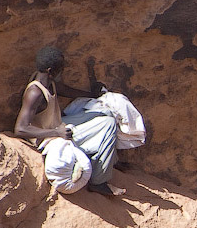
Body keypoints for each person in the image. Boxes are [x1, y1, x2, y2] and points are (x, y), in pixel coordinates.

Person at [14, 45, 125, 196]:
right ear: (51, 71)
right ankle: (99, 181)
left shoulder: (47, 81)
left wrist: (92, 95)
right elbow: (20, 129)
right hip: (47, 137)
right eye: (61, 68)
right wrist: (57, 132)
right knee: (108, 125)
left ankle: (111, 159)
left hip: (57, 124)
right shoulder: (35, 93)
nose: (63, 70)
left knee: (104, 115)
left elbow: (65, 90)